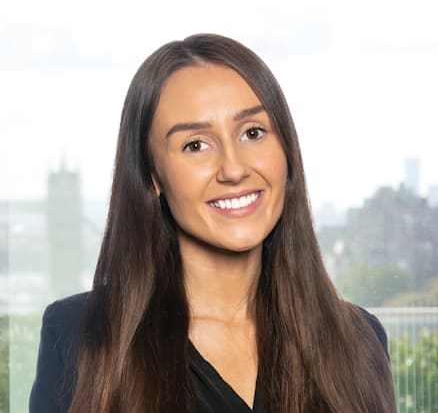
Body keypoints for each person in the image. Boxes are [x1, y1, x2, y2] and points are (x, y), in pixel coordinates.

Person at [30, 34, 397, 413]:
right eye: (195, 145)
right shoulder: (81, 335)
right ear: (153, 176)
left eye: (253, 133)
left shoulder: (359, 340)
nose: (234, 169)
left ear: (286, 149)